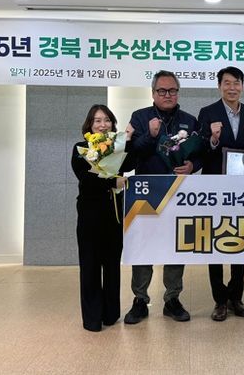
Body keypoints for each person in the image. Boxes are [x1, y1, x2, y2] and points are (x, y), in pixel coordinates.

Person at [123, 70, 203, 324]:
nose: (167, 95)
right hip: (146, 193)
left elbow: (200, 154)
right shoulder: (140, 117)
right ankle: (140, 299)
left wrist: (192, 166)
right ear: (153, 93)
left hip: (178, 193)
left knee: (175, 245)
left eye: (172, 90)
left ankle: (172, 299)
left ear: (178, 93)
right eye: (162, 91)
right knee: (143, 246)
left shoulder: (189, 120)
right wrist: (151, 135)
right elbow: (132, 153)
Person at [198, 66, 244, 321]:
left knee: (239, 239)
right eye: (227, 83)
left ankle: (236, 296)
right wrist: (213, 139)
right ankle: (219, 300)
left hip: (242, 188)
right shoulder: (207, 112)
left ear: (242, 86)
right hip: (215, 187)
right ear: (219, 86)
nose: (232, 87)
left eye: (236, 83)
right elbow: (200, 151)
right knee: (215, 241)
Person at [71, 104, 134, 332]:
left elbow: (132, 162)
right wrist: (111, 181)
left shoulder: (117, 148)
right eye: (97, 121)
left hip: (113, 214)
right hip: (89, 215)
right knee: (90, 266)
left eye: (107, 120)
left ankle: (110, 313)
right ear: (89, 125)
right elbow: (85, 177)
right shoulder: (80, 148)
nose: (102, 125)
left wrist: (128, 140)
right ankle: (92, 318)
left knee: (111, 265)